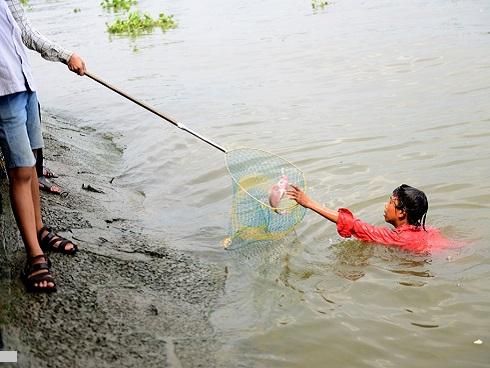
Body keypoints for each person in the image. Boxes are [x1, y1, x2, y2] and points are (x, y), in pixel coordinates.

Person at [0, 0, 86, 292]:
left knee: (33, 167)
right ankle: (34, 255)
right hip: (2, 94)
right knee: (21, 172)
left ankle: (39, 230)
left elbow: (24, 31)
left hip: (24, 85)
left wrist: (65, 55)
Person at [287, 184, 450, 253]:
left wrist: (308, 203)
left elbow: (353, 225)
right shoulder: (431, 232)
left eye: (391, 202)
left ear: (401, 213)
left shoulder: (395, 238)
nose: (386, 206)